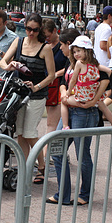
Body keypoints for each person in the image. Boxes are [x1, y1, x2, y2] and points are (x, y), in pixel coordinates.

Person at [47, 29, 111, 206]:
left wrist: (94, 101)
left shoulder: (87, 63)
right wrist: (64, 93)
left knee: (82, 155)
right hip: (71, 109)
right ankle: (64, 194)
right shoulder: (71, 63)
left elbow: (106, 77)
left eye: (62, 45)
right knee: (58, 150)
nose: (60, 48)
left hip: (83, 112)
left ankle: (84, 194)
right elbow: (64, 83)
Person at [0, 13, 55, 184]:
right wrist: (8, 66)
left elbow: (51, 75)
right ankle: (24, 166)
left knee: (30, 132)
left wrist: (37, 86)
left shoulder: (45, 48)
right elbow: (3, 60)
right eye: (29, 29)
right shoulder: (19, 41)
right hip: (19, 94)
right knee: (21, 133)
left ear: (40, 30)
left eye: (35, 30)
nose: (31, 33)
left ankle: (42, 166)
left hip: (36, 96)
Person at [63, 36, 112, 129]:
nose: (76, 54)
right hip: (92, 94)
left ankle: (65, 125)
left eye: (78, 51)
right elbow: (109, 71)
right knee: (102, 105)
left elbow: (73, 80)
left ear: (86, 51)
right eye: (74, 52)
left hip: (82, 95)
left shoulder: (79, 63)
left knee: (63, 101)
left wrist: (68, 92)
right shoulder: (94, 63)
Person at [41, 18, 68, 171]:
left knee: (52, 124)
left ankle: (44, 156)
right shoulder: (46, 45)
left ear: (54, 32)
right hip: (48, 85)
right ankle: (49, 153)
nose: (46, 39)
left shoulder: (62, 46)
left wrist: (55, 74)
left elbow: (70, 65)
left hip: (57, 85)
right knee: (52, 124)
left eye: (47, 36)